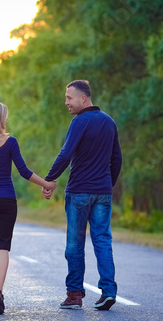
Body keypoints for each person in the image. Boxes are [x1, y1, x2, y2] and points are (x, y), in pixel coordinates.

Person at [0, 101, 57, 315]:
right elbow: (24, 171)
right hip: (6, 200)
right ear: (1, 118)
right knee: (3, 247)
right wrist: (46, 184)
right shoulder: (11, 142)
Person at [42, 80, 122, 311]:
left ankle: (74, 295)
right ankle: (108, 291)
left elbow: (65, 154)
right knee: (102, 240)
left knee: (75, 243)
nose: (66, 102)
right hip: (103, 193)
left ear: (83, 99)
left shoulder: (79, 121)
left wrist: (49, 179)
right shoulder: (109, 122)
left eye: (69, 98)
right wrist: (107, 184)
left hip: (79, 193)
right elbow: (117, 159)